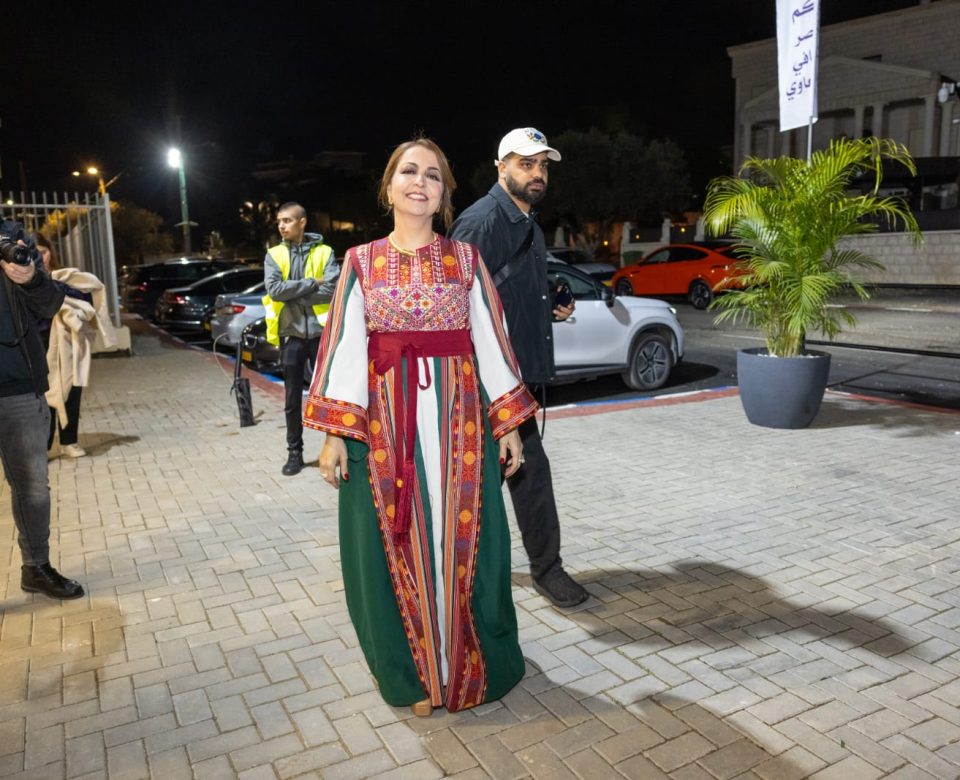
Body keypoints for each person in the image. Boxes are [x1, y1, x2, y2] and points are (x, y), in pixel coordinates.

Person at [305, 138, 537, 716]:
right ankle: (415, 677)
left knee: (465, 538)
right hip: (386, 428)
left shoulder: (466, 261)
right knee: (395, 540)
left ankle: (468, 669)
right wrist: (336, 434)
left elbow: (491, 339)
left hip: (461, 424)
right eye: (409, 171)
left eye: (433, 175)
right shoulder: (360, 262)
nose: (420, 182)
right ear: (389, 187)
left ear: (443, 194)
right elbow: (345, 347)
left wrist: (507, 422)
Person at [449, 127, 588, 608]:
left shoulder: (528, 222)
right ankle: (514, 574)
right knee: (496, 481)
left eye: (543, 165)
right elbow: (456, 306)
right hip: (485, 382)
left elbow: (504, 292)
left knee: (524, 476)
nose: (537, 173)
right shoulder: (481, 222)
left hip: (515, 376)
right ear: (500, 167)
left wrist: (550, 303)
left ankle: (537, 570)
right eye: (526, 163)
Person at [0, 237, 84, 599]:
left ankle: (36, 567)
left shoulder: (12, 241)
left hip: (18, 383)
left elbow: (50, 304)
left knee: (32, 486)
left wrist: (31, 278)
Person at [263, 203, 339, 476]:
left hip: (321, 334)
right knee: (292, 399)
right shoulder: (274, 254)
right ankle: (294, 453)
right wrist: (312, 283)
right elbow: (275, 291)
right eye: (279, 221)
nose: (282, 226)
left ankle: (336, 447)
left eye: (287, 220)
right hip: (291, 334)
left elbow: (332, 288)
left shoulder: (325, 252)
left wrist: (295, 295)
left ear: (302, 222)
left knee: (332, 394)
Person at [36, 234, 116, 458]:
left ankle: (69, 441)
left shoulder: (65, 277)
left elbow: (88, 296)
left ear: (51, 251)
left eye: (43, 251)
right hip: (39, 342)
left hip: (68, 340)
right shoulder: (24, 280)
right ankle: (43, 445)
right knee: (44, 393)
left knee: (72, 387)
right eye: (36, 252)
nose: (40, 257)